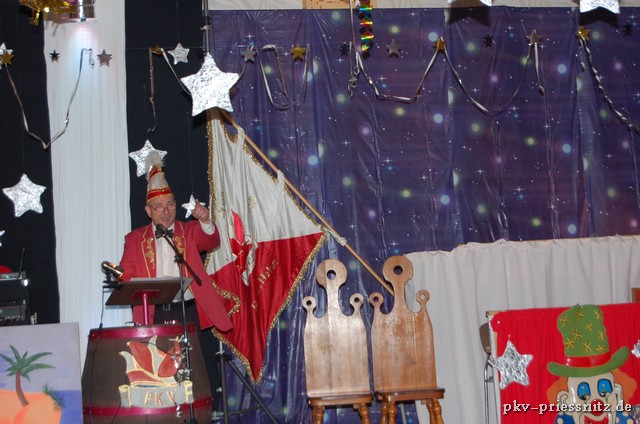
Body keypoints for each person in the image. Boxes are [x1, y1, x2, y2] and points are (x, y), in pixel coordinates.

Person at [118, 151, 232, 412]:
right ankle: (163, 413)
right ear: (148, 211)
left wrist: (205, 220)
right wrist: (120, 276)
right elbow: (127, 273)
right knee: (159, 370)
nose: (166, 211)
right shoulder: (134, 239)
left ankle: (201, 412)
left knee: (194, 367)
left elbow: (210, 240)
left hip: (188, 311)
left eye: (170, 204)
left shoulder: (187, 231)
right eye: (159, 207)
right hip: (154, 312)